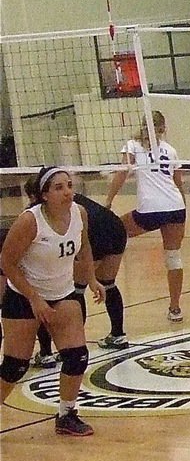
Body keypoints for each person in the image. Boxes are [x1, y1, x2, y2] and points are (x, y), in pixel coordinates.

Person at [0, 167, 104, 436]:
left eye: (69, 185)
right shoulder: (30, 221)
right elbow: (7, 262)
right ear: (44, 195)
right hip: (24, 296)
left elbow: (84, 246)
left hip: (62, 293)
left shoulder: (79, 213)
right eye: (59, 187)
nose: (67, 192)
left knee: (77, 357)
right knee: (15, 367)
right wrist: (34, 298)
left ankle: (66, 415)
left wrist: (92, 279)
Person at [28, 176, 128, 365]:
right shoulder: (69, 203)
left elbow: (80, 243)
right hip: (116, 228)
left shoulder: (49, 212)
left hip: (94, 233)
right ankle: (118, 335)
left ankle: (60, 348)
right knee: (108, 283)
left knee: (73, 290)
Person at [104, 110, 187, 323]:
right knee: (173, 257)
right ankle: (175, 308)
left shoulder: (133, 145)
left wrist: (109, 200)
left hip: (150, 208)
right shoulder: (170, 149)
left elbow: (122, 172)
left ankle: (103, 280)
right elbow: (178, 182)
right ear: (163, 128)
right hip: (175, 206)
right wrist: (183, 209)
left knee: (113, 232)